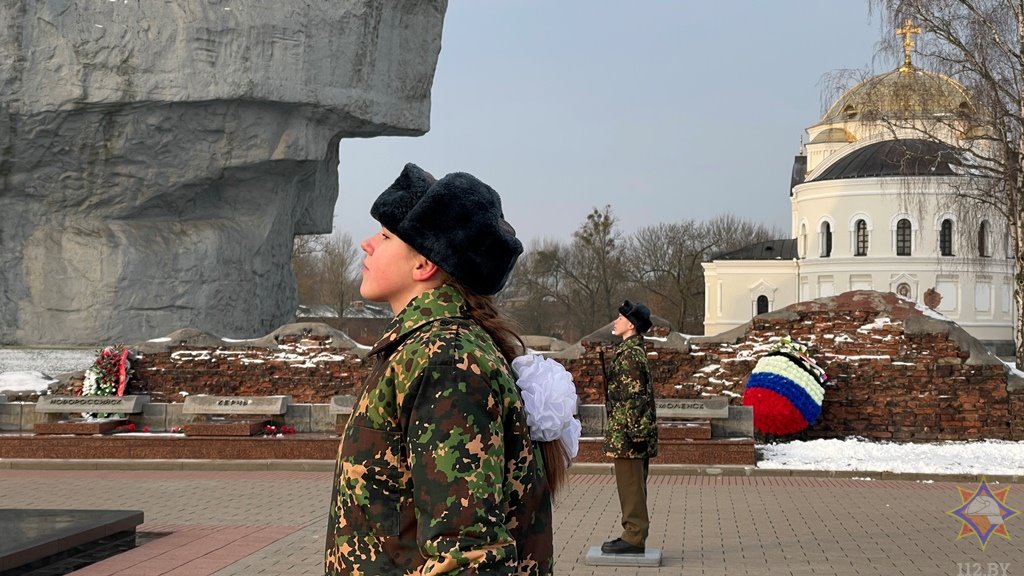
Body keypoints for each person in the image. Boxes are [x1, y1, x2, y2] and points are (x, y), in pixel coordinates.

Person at [324, 163, 570, 575]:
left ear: (424, 265)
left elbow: (469, 557)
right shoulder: (424, 349)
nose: (367, 244)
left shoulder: (446, 361)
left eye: (385, 236)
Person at [601, 299, 658, 555]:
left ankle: (634, 536)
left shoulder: (631, 355)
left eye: (621, 318)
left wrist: (636, 436)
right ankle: (633, 532)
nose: (616, 321)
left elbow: (635, 398)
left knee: (631, 486)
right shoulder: (630, 351)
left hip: (629, 435)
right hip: (628, 433)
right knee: (631, 486)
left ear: (631, 325)